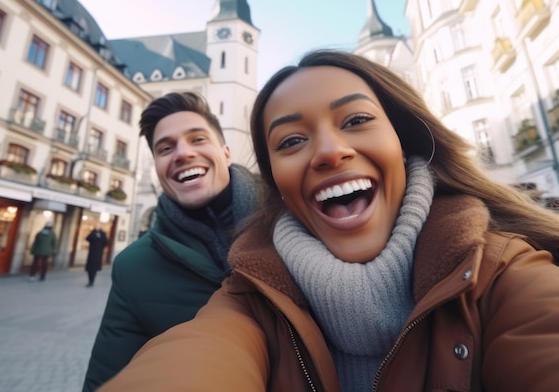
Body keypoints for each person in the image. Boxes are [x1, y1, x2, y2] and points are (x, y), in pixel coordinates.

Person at [99, 51, 559, 391]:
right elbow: (196, 357)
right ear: (275, 181)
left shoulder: (501, 270)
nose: (328, 151)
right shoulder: (248, 293)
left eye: (356, 119)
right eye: (291, 140)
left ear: (403, 137)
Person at [82, 92, 263, 391]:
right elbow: (107, 373)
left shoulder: (289, 222)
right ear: (157, 168)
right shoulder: (133, 268)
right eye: (165, 148)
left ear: (226, 153)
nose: (182, 153)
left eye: (198, 139)